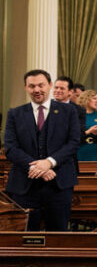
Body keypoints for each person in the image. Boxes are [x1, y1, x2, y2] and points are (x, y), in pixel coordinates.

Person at [3, 70, 81, 231]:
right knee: (24, 238)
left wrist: (49, 162)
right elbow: (10, 148)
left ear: (50, 85)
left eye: (41, 85)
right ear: (26, 88)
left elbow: (73, 143)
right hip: (24, 185)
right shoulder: (15, 114)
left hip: (59, 184)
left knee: (58, 236)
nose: (37, 90)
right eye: (32, 86)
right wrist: (37, 167)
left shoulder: (69, 112)